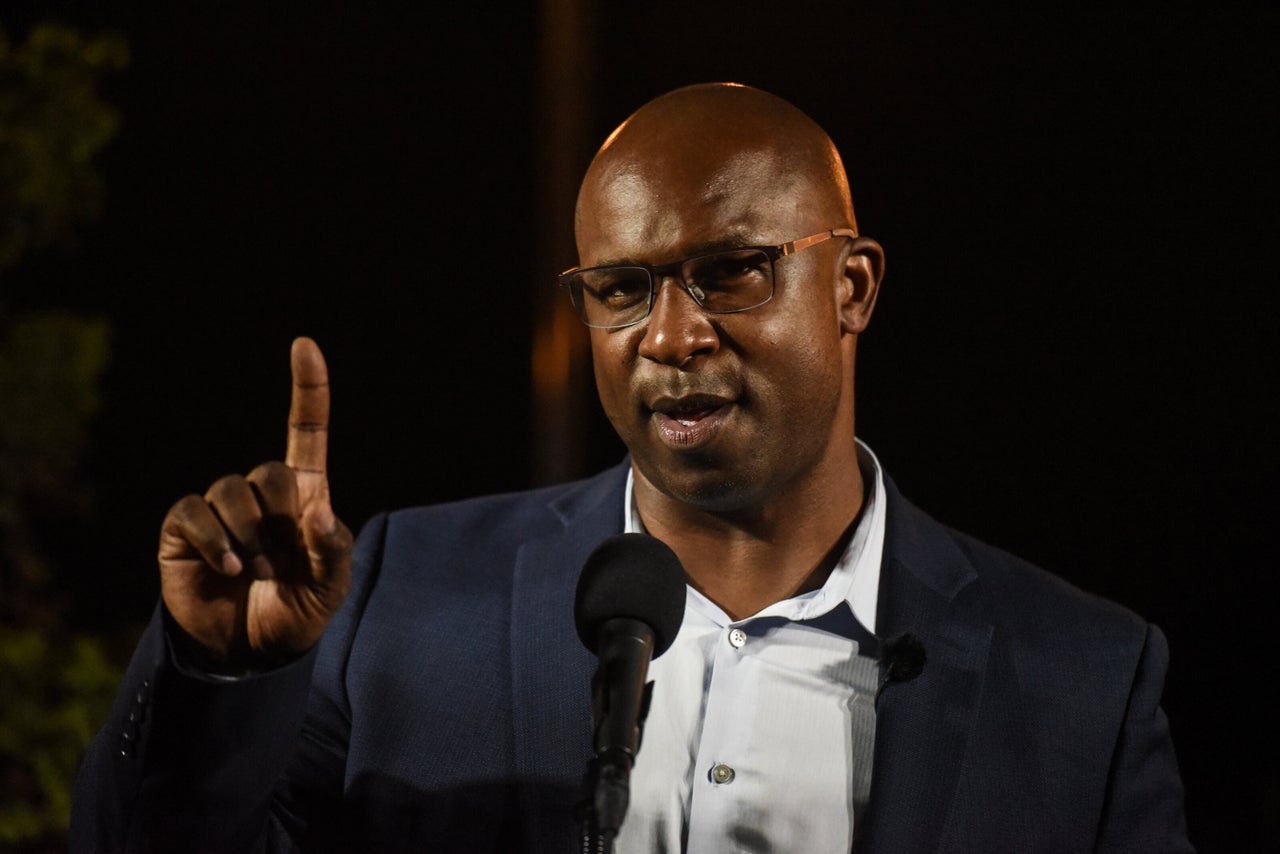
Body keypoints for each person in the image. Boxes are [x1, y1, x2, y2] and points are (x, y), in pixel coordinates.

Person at [71, 83, 1192, 852]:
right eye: (620, 289)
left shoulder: (1078, 680)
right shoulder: (402, 594)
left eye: (729, 272)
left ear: (851, 288)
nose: (667, 337)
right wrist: (218, 680)